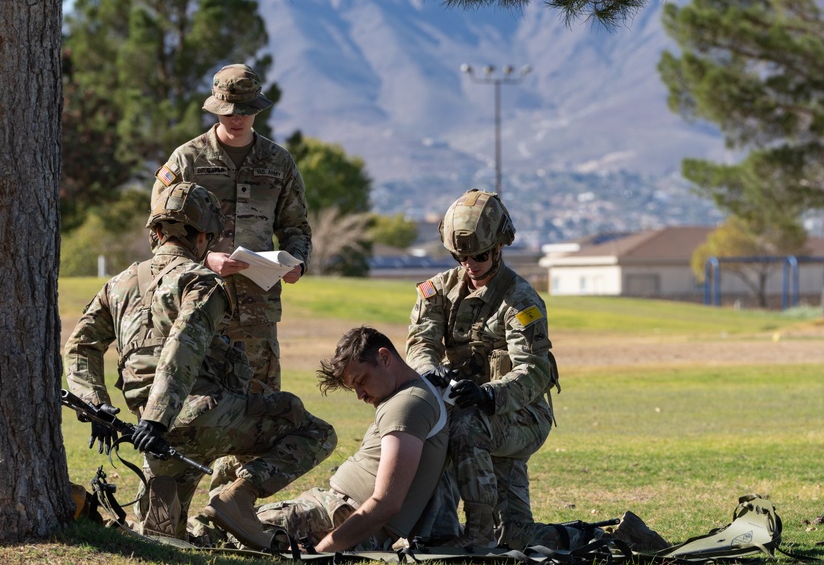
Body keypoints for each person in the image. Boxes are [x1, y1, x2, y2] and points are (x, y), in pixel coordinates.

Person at [64, 181, 336, 548]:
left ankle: (170, 505)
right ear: (205, 236)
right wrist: (157, 419)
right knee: (311, 429)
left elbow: (80, 346)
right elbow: (183, 346)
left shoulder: (118, 284)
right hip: (200, 418)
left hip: (157, 436)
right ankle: (237, 497)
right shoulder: (202, 281)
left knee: (162, 542)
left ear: (156, 232)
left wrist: (97, 407)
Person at [406, 188, 577, 550]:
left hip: (520, 414)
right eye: (460, 256)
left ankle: (478, 537)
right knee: (514, 534)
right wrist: (432, 371)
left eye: (480, 255)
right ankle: (436, 528)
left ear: (500, 245)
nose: (470, 263)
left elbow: (533, 370)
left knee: (465, 427)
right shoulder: (435, 292)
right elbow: (420, 343)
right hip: (466, 412)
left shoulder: (521, 300)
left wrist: (487, 395)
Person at [151, 63, 310, 394]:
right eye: (228, 113)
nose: (236, 120)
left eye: (245, 112)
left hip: (258, 309)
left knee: (261, 407)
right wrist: (206, 260)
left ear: (257, 109)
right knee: (197, 403)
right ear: (215, 109)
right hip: (198, 302)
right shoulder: (186, 161)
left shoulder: (279, 162)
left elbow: (295, 226)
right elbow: (159, 236)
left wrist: (297, 262)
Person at [245, 326, 449, 552]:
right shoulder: (408, 395)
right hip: (334, 511)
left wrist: (322, 551)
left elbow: (385, 503)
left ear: (384, 357)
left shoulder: (408, 405)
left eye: (361, 381)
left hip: (341, 516)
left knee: (224, 528)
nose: (360, 395)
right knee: (233, 521)